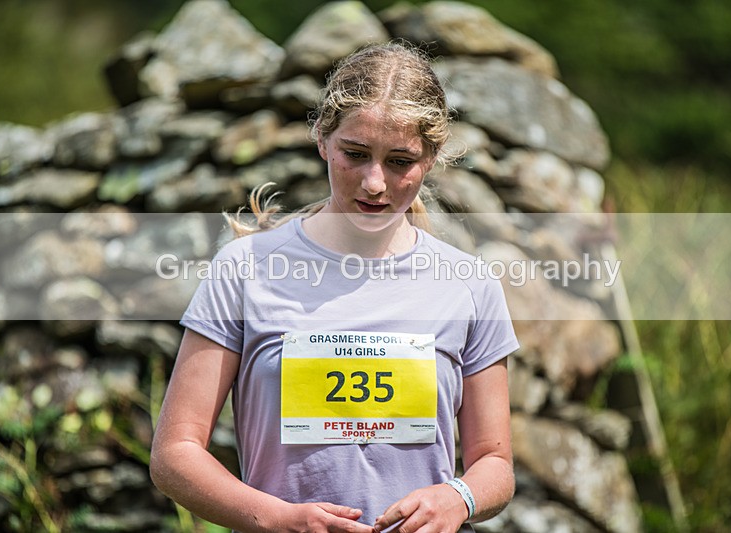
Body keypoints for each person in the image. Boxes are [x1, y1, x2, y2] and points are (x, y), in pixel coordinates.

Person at [150, 42, 520, 533]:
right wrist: (279, 519)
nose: (373, 182)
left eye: (399, 161)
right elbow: (174, 453)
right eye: (356, 154)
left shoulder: (471, 287)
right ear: (322, 139)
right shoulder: (244, 270)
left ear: (430, 158)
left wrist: (458, 497)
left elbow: (494, 462)